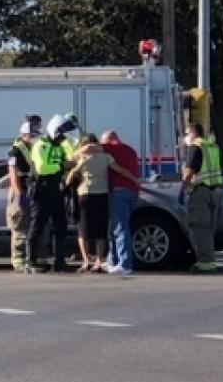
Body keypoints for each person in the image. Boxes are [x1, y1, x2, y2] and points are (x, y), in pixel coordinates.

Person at [67, 134, 143, 273]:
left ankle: (88, 261)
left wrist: (68, 180)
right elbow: (121, 170)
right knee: (102, 229)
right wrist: (135, 180)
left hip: (85, 194)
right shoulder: (111, 155)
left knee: (84, 229)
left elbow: (72, 171)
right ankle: (101, 260)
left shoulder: (85, 157)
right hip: (103, 194)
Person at [26, 113, 78, 274]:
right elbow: (42, 168)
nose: (63, 138)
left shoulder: (59, 145)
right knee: (37, 226)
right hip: (41, 189)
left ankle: (59, 261)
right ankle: (31, 261)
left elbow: (73, 155)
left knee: (61, 225)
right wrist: (63, 166)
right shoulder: (40, 145)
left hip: (56, 189)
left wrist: (68, 142)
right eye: (62, 135)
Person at [181, 123, 223, 273]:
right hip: (215, 191)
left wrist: (183, 189)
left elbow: (190, 170)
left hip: (201, 191)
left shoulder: (196, 146)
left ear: (193, 133)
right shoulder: (213, 147)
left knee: (199, 228)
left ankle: (205, 263)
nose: (185, 138)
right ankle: (209, 260)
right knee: (209, 228)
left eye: (186, 134)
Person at [100, 130, 142, 275]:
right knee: (116, 227)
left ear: (108, 140)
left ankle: (125, 264)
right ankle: (113, 261)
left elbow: (90, 148)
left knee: (120, 228)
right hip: (132, 192)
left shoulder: (109, 148)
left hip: (119, 192)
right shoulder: (131, 150)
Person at [7, 115, 41, 272]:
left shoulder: (34, 148)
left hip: (32, 190)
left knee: (34, 225)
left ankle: (33, 258)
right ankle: (18, 260)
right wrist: (20, 194)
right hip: (20, 190)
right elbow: (13, 174)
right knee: (20, 225)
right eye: (31, 135)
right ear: (24, 135)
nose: (34, 137)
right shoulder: (15, 151)